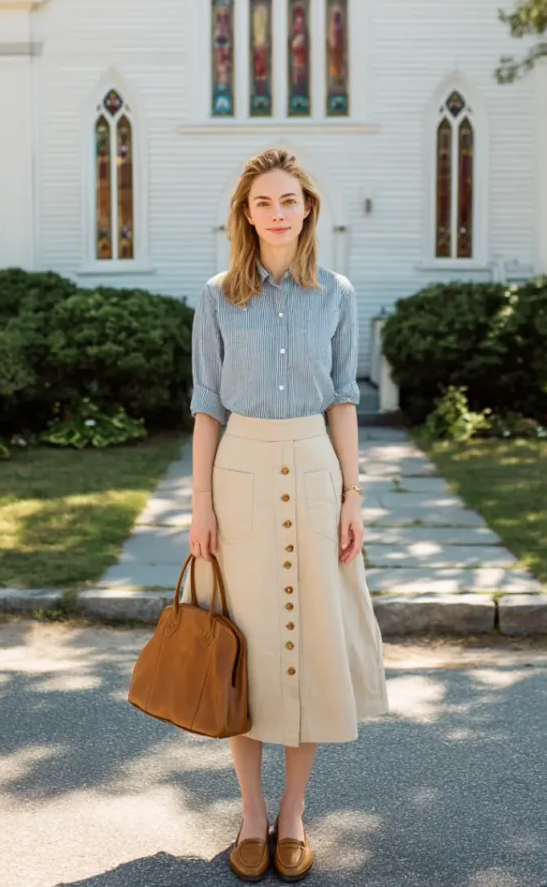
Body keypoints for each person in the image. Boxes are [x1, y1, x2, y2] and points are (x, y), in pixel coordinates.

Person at [183, 148, 389, 882]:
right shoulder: (214, 296)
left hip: (313, 471)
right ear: (245, 213)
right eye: (263, 201)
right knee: (246, 650)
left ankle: (294, 815)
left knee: (306, 645)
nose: (277, 212)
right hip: (237, 475)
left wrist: (351, 496)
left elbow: (342, 397)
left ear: (307, 210)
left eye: (289, 200)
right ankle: (248, 813)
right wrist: (200, 503)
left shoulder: (336, 292)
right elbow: (207, 404)